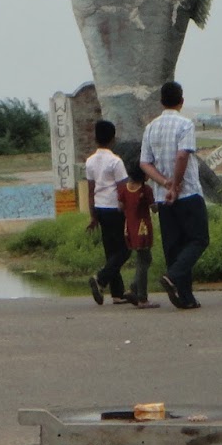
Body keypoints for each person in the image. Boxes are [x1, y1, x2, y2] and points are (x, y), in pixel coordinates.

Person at [140, 80, 208, 310]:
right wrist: (176, 186)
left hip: (162, 197)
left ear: (161, 102)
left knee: (174, 246)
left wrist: (164, 183)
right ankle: (173, 277)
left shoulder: (151, 127)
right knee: (198, 239)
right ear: (181, 101)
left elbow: (145, 163)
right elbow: (182, 156)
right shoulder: (185, 124)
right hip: (187, 192)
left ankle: (185, 297)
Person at [83, 119, 130, 305]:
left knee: (111, 250)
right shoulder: (115, 161)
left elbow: (90, 189)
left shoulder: (90, 161)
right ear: (113, 139)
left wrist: (92, 215)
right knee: (126, 249)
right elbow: (123, 189)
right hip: (115, 208)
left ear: (95, 138)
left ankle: (117, 294)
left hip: (100, 208)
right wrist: (128, 211)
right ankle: (101, 279)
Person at [117, 161, 159, 308]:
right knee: (144, 260)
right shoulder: (145, 190)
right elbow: (153, 208)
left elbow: (120, 207)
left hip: (129, 228)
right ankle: (142, 297)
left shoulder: (124, 189)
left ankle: (133, 288)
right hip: (143, 228)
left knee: (144, 259)